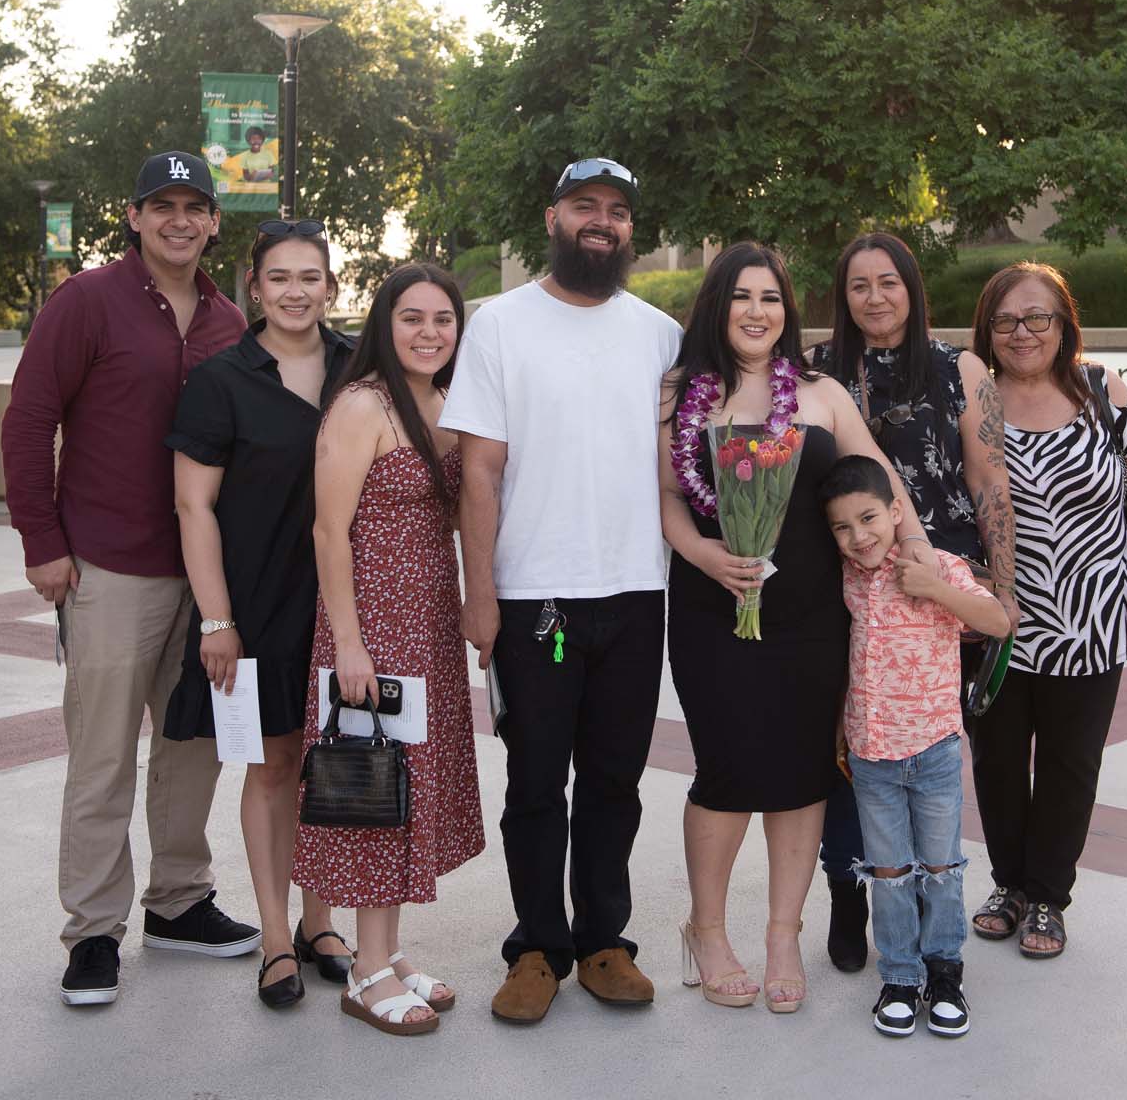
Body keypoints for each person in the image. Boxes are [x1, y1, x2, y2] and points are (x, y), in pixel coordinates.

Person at [1, 152, 260, 1008]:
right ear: (135, 215)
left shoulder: (230, 320)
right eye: (163, 205)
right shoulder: (86, 301)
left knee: (192, 751)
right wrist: (42, 540)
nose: (180, 220)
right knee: (103, 757)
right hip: (110, 567)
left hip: (206, 576)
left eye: (195, 207)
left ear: (214, 221)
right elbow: (29, 420)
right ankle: (92, 931)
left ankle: (179, 902)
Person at [661, 243, 940, 1014]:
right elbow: (668, 497)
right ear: (717, 306)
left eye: (771, 299)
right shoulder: (681, 393)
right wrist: (704, 555)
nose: (757, 312)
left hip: (811, 617)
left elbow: (877, 475)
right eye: (742, 297)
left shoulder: (820, 393)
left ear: (787, 311)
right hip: (713, 608)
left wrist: (918, 548)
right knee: (725, 770)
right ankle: (707, 931)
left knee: (802, 771)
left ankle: (783, 935)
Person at [440, 158, 682, 1023]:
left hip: (635, 590)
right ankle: (537, 948)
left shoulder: (661, 334)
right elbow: (479, 472)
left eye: (617, 210)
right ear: (554, 219)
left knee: (616, 781)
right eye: (586, 206)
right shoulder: (500, 326)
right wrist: (479, 594)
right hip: (534, 597)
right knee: (537, 783)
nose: (602, 222)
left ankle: (605, 941)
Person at [808, 231, 1018, 973]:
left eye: (888, 282)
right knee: (847, 744)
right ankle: (847, 890)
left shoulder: (959, 369)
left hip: (933, 585)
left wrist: (1000, 589)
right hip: (843, 584)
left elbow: (989, 480)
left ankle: (933, 918)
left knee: (924, 750)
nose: (875, 298)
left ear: (912, 287)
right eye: (859, 285)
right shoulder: (816, 371)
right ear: (843, 296)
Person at [164, 218, 356, 1008]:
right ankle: (277, 935)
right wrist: (217, 620)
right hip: (258, 604)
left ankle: (322, 922)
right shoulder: (221, 380)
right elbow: (193, 506)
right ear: (255, 287)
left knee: (334, 765)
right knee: (274, 766)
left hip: (346, 605)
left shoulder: (362, 369)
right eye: (279, 277)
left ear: (331, 287)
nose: (295, 292)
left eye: (310, 277)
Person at [292, 263, 484, 1035]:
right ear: (384, 323)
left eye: (443, 319)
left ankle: (388, 949)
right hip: (372, 624)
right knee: (375, 791)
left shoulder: (448, 402)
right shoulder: (361, 404)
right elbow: (327, 531)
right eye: (412, 318)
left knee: (409, 789)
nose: (429, 332)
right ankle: (366, 970)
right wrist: (348, 644)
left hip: (428, 624)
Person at [967, 263, 1127, 958]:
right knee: (997, 762)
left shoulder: (1101, 391)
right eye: (1005, 320)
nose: (1022, 332)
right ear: (987, 330)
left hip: (1092, 619)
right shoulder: (975, 401)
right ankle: (1009, 885)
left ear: (1063, 324)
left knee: (1070, 764)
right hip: (999, 624)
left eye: (1037, 317)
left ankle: (1048, 897)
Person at [819, 455, 1009, 1037]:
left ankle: (945, 973)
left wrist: (935, 589)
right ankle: (900, 977)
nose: (859, 537)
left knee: (941, 868)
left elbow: (998, 622)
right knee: (890, 872)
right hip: (872, 754)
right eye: (842, 527)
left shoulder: (938, 565)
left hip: (933, 751)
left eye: (869, 518)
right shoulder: (848, 578)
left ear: (896, 511)